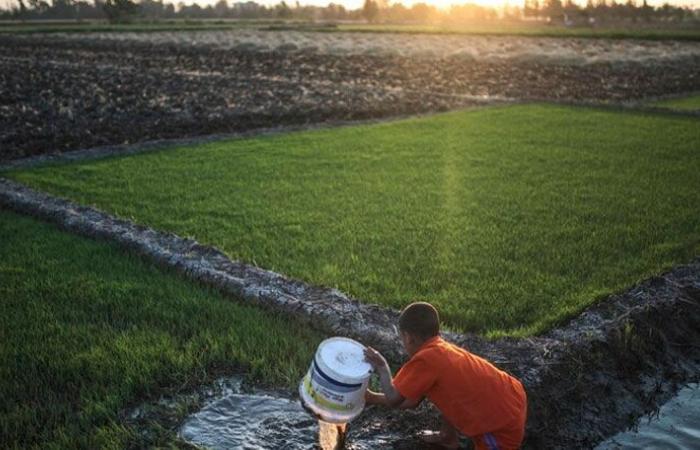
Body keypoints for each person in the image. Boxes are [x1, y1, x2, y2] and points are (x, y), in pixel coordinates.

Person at [363, 302, 527, 450]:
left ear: (408, 337)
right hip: (510, 396)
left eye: (402, 338)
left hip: (498, 425)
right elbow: (411, 401)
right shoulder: (440, 348)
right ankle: (447, 437)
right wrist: (371, 397)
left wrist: (382, 367)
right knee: (447, 393)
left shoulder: (425, 360)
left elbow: (394, 399)